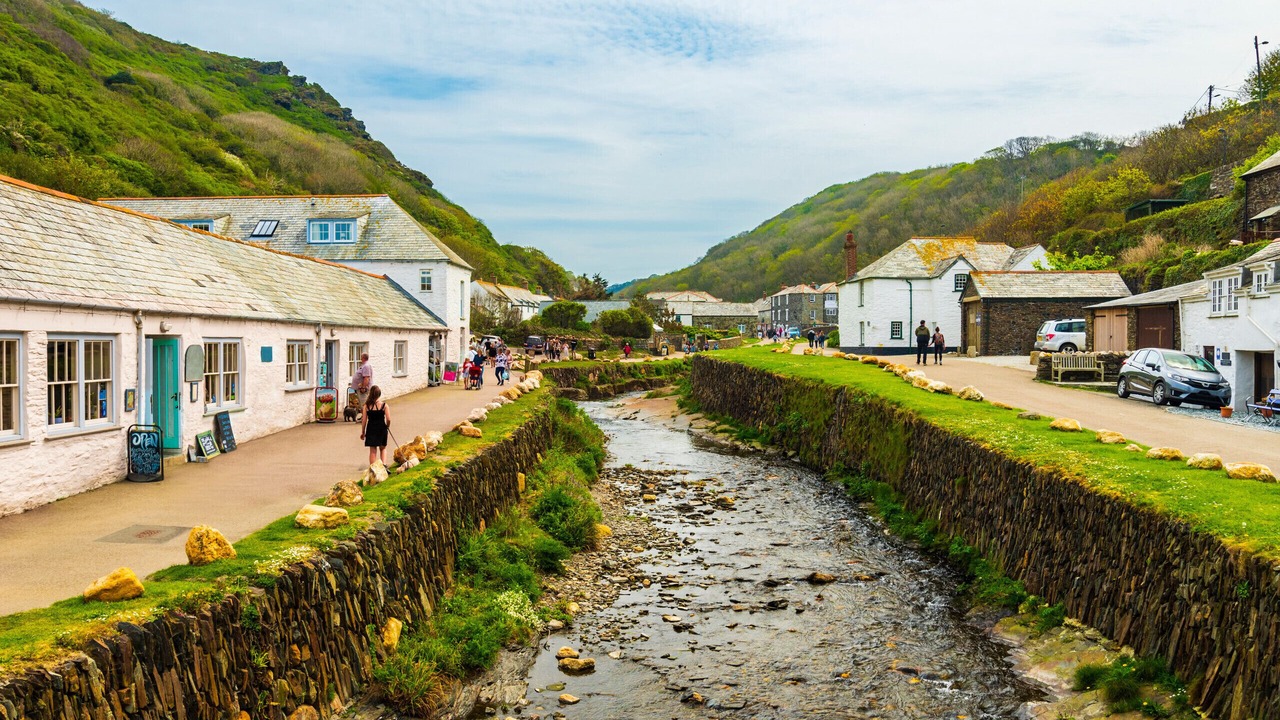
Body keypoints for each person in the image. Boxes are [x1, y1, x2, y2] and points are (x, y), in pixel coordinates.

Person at [361, 385, 390, 467]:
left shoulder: (366, 406)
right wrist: (387, 426)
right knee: (383, 448)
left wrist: (363, 432)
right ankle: (384, 465)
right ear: (379, 394)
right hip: (381, 428)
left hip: (371, 429)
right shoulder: (384, 405)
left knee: (373, 450)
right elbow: (388, 419)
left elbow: (364, 420)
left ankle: (373, 467)